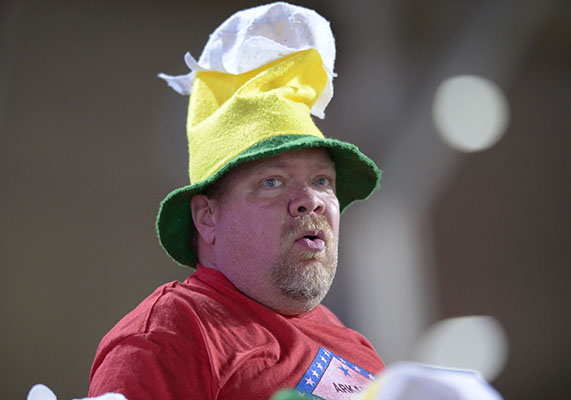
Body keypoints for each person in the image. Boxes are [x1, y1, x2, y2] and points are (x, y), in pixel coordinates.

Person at [88, 3, 384, 399]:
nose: (310, 200)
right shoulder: (171, 335)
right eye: (273, 182)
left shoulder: (354, 346)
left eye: (322, 180)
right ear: (207, 217)